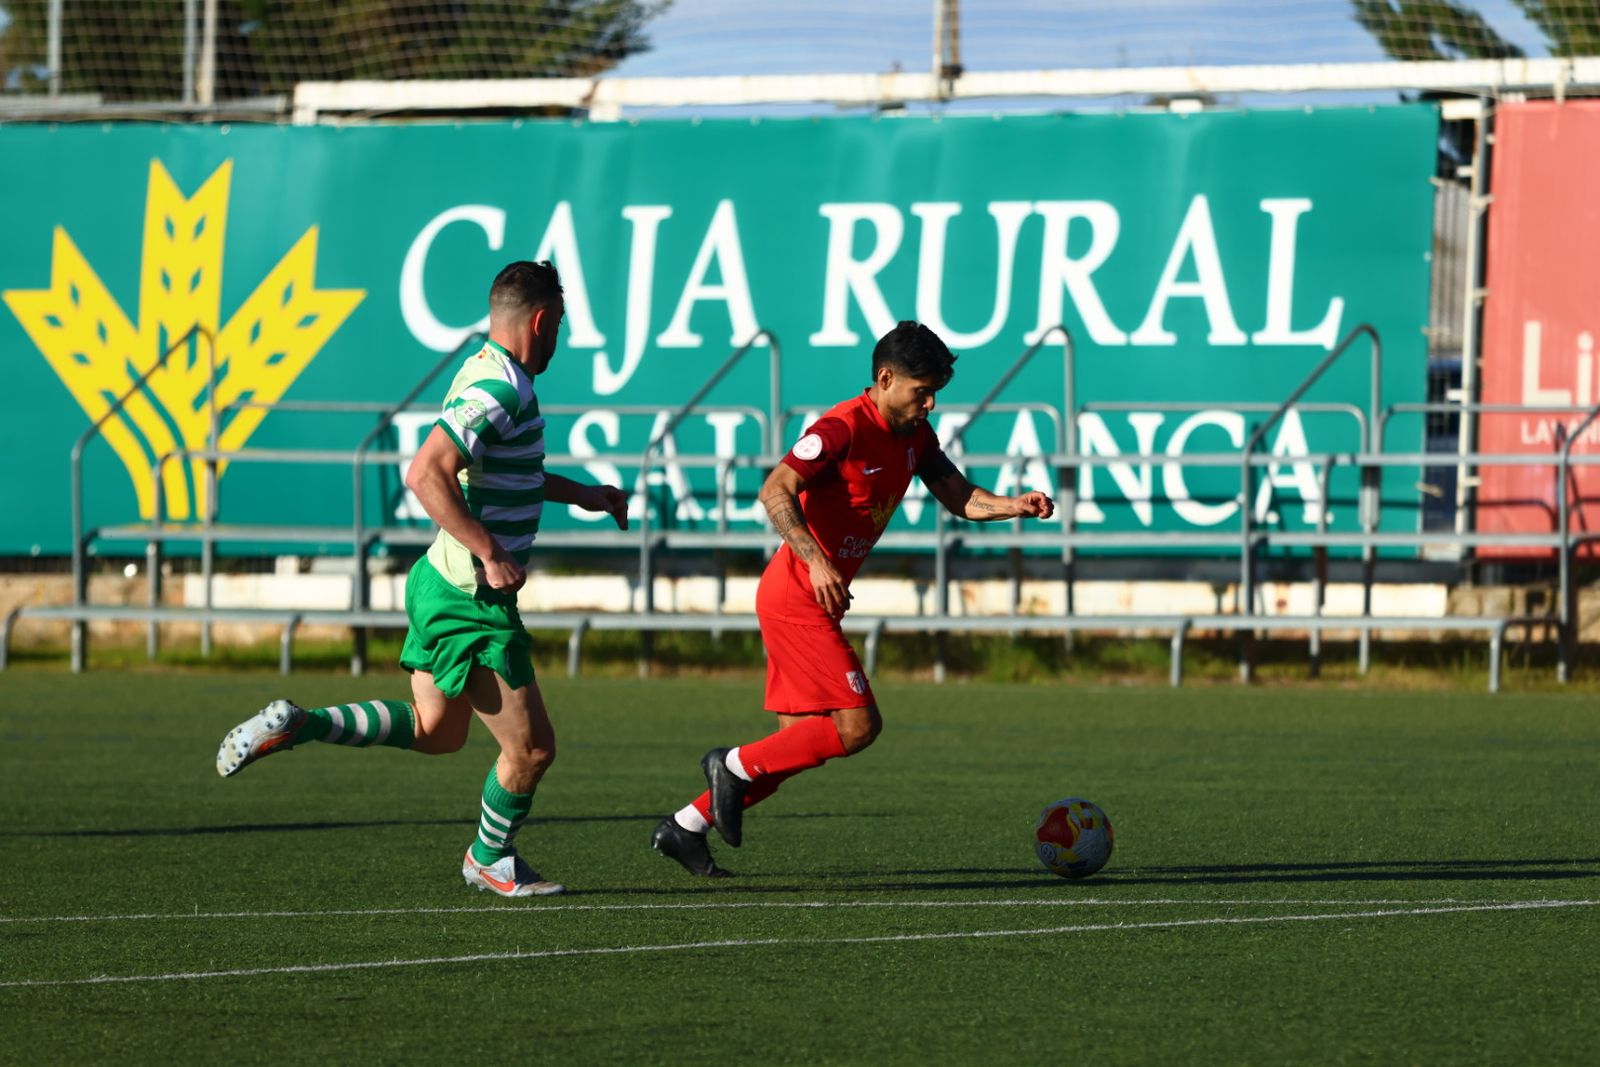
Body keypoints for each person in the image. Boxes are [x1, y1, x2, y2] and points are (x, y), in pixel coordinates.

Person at [216, 260, 627, 898]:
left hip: (440, 583)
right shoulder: (504, 389)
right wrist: (491, 551)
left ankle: (302, 723)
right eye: (560, 326)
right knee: (532, 750)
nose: (559, 339)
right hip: (472, 598)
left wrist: (585, 494)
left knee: (437, 733)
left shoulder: (486, 371)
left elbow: (503, 474)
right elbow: (426, 472)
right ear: (541, 321)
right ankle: (489, 858)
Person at [650, 320, 1055, 877]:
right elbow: (775, 489)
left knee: (796, 748)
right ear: (886, 378)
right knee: (858, 727)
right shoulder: (841, 428)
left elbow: (960, 497)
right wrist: (817, 560)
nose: (931, 403)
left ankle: (685, 827)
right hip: (795, 596)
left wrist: (1016, 504)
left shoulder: (916, 438)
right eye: (922, 391)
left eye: (937, 391)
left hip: (814, 600)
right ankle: (729, 764)